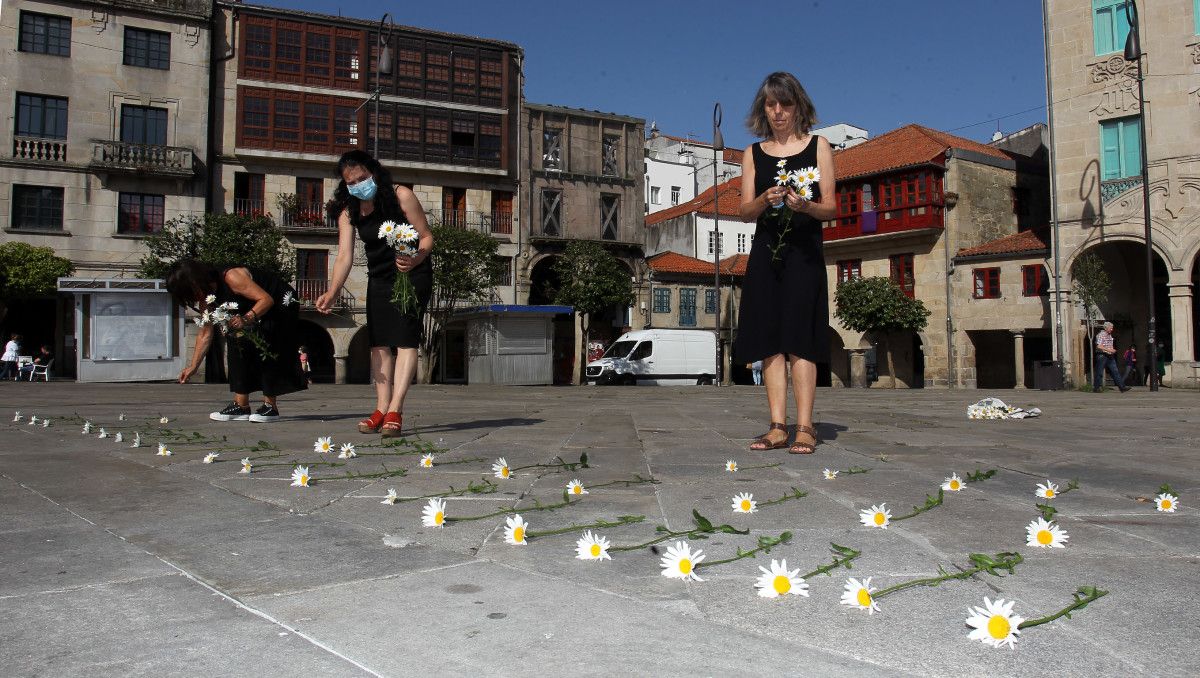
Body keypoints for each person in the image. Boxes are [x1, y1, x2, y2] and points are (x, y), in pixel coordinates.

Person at [733, 72, 836, 454]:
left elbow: (831, 207)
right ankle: (778, 426)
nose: (778, 112)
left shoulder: (819, 146)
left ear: (798, 106)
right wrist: (765, 199)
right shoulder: (752, 153)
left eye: (785, 104)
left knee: (801, 340)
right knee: (770, 341)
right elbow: (744, 211)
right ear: (764, 109)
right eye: (771, 105)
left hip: (804, 254)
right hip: (766, 254)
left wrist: (804, 205)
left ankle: (805, 427)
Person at [316, 150, 434, 438]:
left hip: (412, 274)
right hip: (379, 278)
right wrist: (332, 291)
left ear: (374, 172)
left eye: (362, 178)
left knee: (405, 340)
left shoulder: (401, 195)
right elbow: (344, 256)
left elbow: (427, 237)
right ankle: (381, 408)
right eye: (351, 182)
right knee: (378, 343)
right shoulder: (349, 211)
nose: (358, 185)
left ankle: (396, 409)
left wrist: (414, 259)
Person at [167, 259, 307, 422]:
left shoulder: (231, 277)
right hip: (253, 309)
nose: (195, 298)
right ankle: (241, 406)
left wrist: (247, 318)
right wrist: (193, 366)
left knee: (266, 343)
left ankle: (270, 406)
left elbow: (266, 300)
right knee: (236, 340)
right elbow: (205, 332)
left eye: (191, 293)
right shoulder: (207, 298)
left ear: (196, 282)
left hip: (280, 303)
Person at [1092, 321, 1128, 393]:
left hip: (1109, 355)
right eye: (1110, 328)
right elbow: (1099, 346)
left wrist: (1112, 350)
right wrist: (1109, 350)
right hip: (1102, 355)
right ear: (1106, 328)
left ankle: (1122, 387)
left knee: (1115, 371)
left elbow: (1108, 344)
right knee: (1099, 371)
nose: (1112, 329)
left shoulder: (1109, 335)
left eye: (1112, 328)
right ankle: (1097, 387)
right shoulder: (1101, 335)